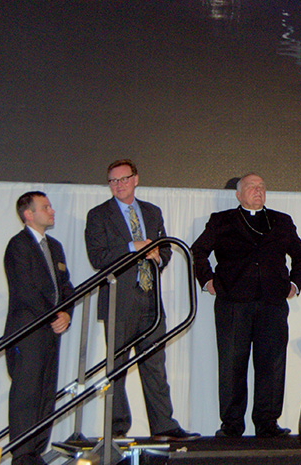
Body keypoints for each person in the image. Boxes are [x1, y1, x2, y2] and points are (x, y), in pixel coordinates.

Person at [85, 159, 198, 441]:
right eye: (113, 181)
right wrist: (130, 248)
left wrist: (160, 257)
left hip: (150, 302)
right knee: (117, 370)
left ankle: (164, 426)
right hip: (118, 303)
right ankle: (116, 429)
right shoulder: (98, 215)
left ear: (136, 179)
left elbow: (166, 249)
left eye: (124, 179)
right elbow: (97, 257)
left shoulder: (152, 212)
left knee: (155, 368)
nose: (118, 185)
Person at [191, 173, 301, 438]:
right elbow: (197, 251)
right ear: (238, 194)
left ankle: (267, 422)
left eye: (261, 187)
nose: (257, 191)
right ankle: (232, 424)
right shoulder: (221, 221)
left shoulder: (281, 221)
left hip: (272, 304)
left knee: (272, 363)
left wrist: (295, 284)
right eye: (251, 187)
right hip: (233, 303)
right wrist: (207, 281)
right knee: (232, 364)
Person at [5, 191, 75, 465]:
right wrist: (52, 316)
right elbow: (26, 292)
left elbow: (66, 286)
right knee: (27, 393)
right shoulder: (18, 246)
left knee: (47, 392)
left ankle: (35, 452)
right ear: (28, 214)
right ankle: (22, 456)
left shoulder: (54, 246)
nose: (51, 211)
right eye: (45, 207)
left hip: (51, 331)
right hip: (28, 331)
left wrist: (66, 313)